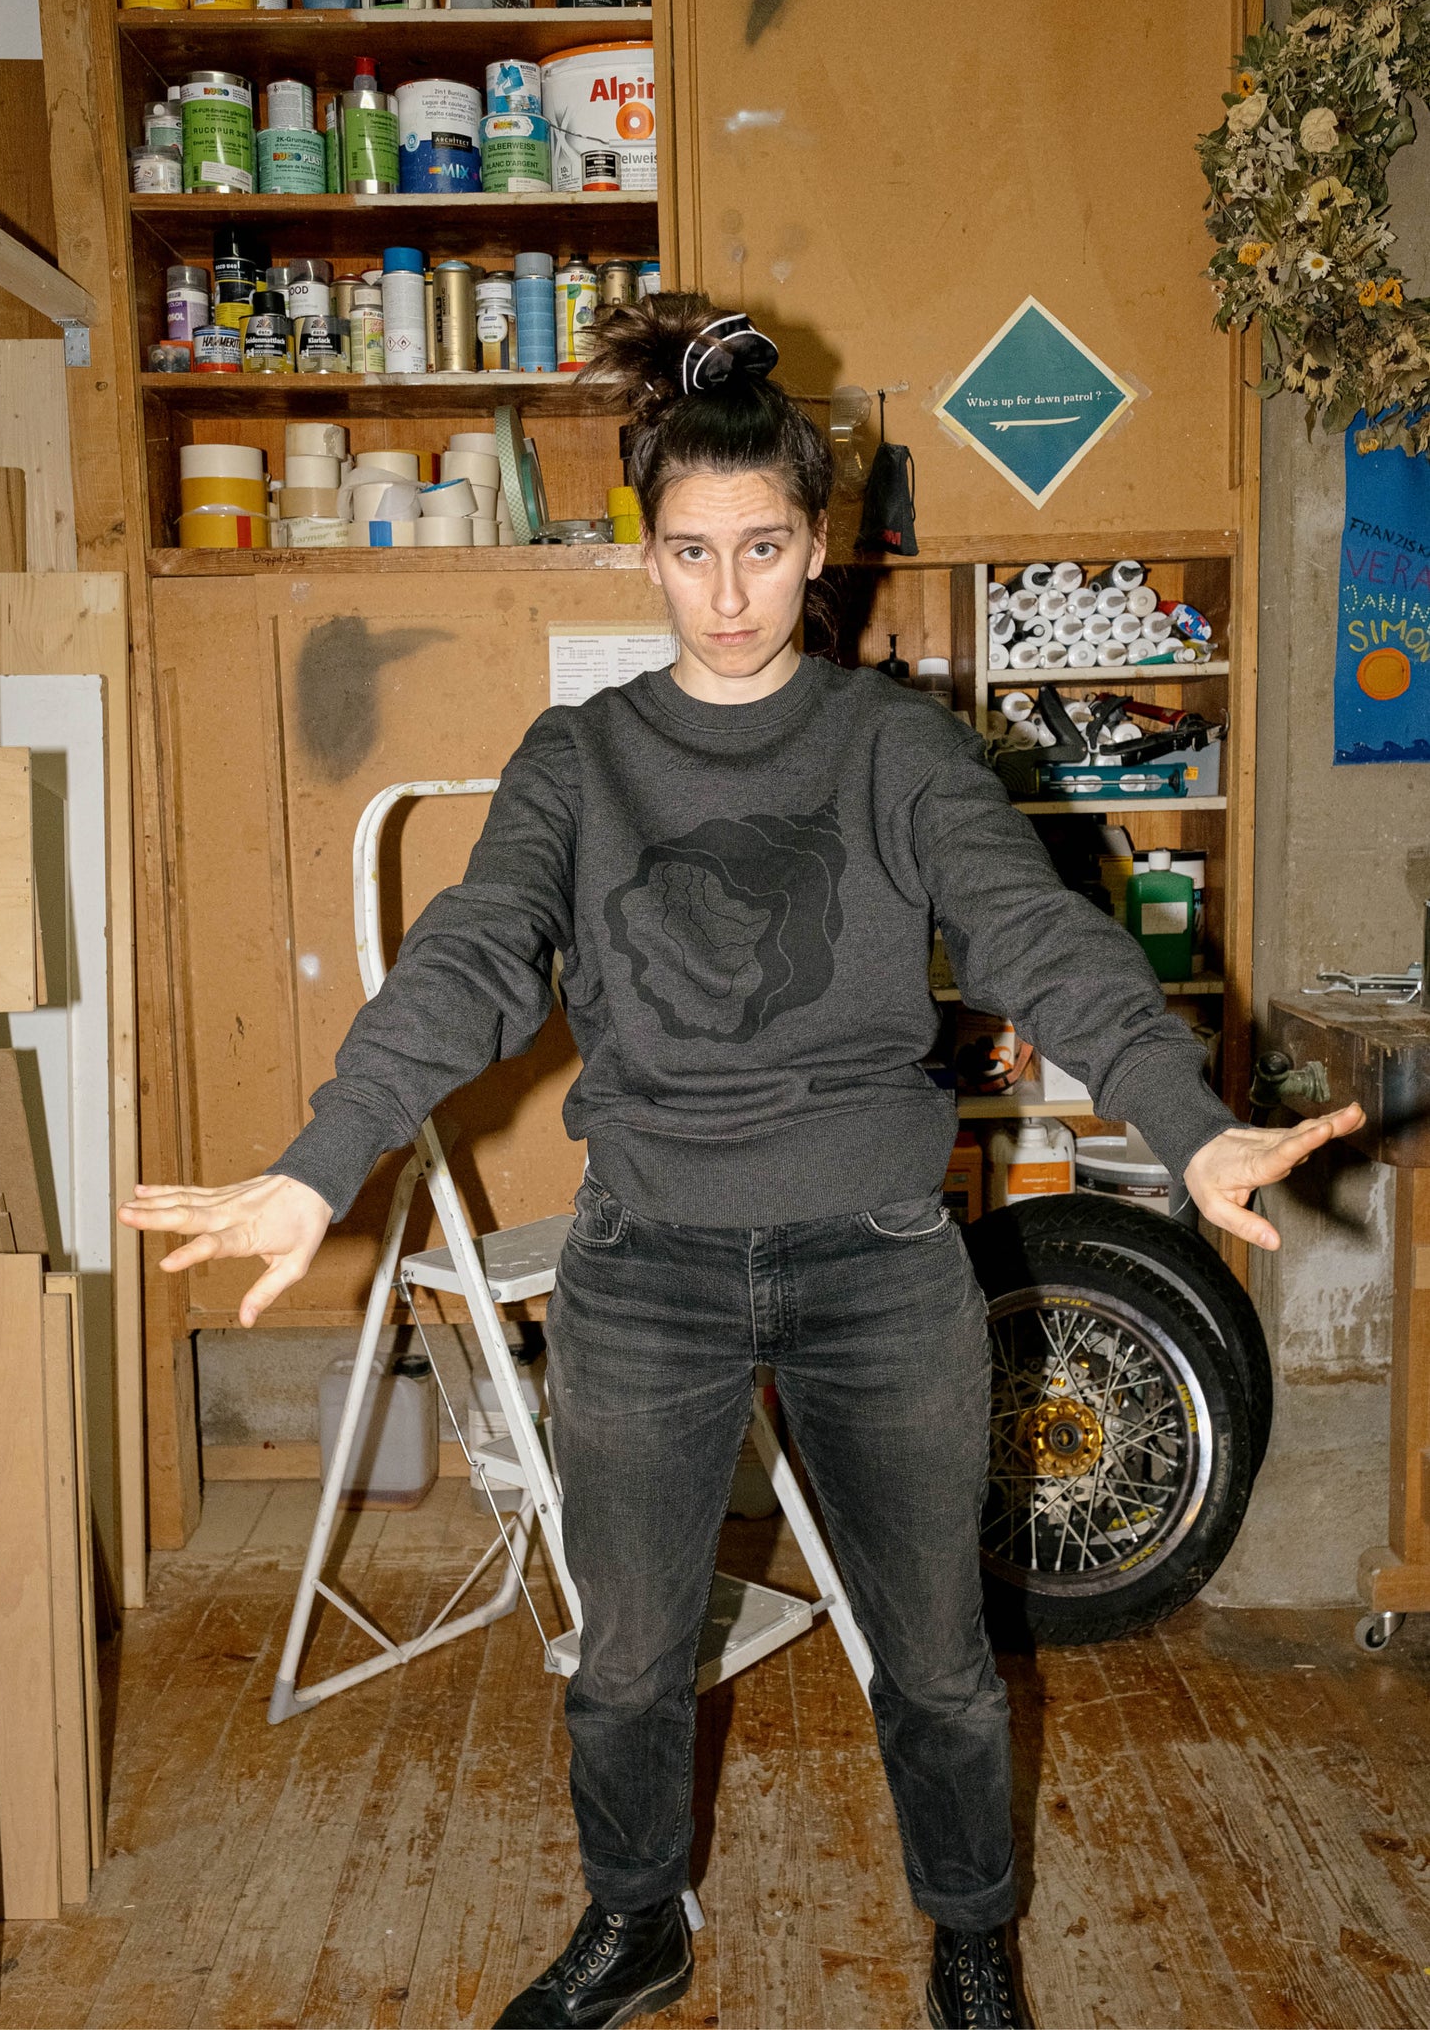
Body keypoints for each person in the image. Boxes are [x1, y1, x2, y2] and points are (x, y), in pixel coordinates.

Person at [121, 296, 1362, 2030]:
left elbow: (1037, 938)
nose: (726, 594)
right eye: (692, 552)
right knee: (626, 1660)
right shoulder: (581, 760)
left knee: (937, 1661)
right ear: (647, 552)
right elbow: (478, 950)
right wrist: (320, 1162)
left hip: (876, 1261)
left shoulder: (893, 749)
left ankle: (970, 1937)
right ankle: (638, 1921)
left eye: (761, 549)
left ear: (815, 546)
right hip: (646, 1264)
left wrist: (1185, 1114)